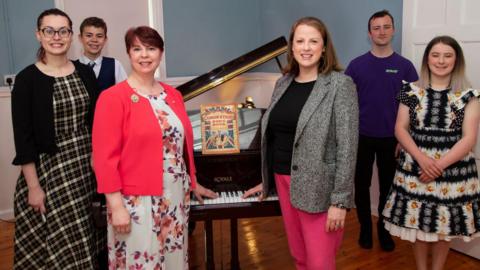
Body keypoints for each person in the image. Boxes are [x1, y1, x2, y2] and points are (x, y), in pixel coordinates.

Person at [92, 26, 217, 269]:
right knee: (141, 262)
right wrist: (116, 207)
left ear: (161, 53)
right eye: (137, 49)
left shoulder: (173, 95)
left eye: (151, 48)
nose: (144, 55)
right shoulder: (113, 98)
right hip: (136, 201)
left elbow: (180, 148)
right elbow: (104, 159)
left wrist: (193, 182)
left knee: (172, 259)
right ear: (128, 53)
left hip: (175, 197)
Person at [243, 17, 358, 269]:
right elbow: (275, 137)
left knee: (319, 263)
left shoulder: (340, 85)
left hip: (320, 188)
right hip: (283, 181)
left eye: (313, 41)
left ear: (324, 47)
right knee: (299, 257)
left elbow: (347, 148)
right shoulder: (282, 83)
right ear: (292, 47)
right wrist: (267, 178)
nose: (306, 47)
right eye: (300, 41)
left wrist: (340, 201)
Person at [11, 8, 103, 269]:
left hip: (85, 169)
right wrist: (33, 187)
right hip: (49, 173)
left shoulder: (85, 73)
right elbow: (23, 137)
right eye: (49, 31)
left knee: (85, 236)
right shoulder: (27, 79)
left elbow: (96, 121)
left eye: (63, 31)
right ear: (39, 35)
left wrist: (97, 157)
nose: (56, 36)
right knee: (56, 244)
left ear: (71, 36)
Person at [382, 35, 480, 270]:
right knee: (417, 225)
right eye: (435, 55)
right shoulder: (411, 91)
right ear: (427, 59)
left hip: (453, 171)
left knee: (444, 228)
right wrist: (423, 159)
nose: (441, 60)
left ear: (456, 60)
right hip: (415, 166)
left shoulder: (469, 95)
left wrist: (438, 165)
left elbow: (469, 139)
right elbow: (400, 128)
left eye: (448, 55)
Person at [345, 9, 418, 251]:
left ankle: (383, 230)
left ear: (393, 30)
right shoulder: (356, 66)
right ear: (369, 33)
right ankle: (365, 228)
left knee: (389, 188)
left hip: (393, 138)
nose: (382, 32)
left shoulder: (404, 67)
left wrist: (405, 138)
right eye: (376, 28)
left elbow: (412, 106)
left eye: (386, 27)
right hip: (361, 137)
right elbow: (346, 104)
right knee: (361, 185)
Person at [77, 16, 127, 92]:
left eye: (99, 36)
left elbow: (125, 93)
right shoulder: (73, 68)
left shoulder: (115, 65)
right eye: (89, 35)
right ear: (80, 38)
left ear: (105, 40)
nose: (94, 40)